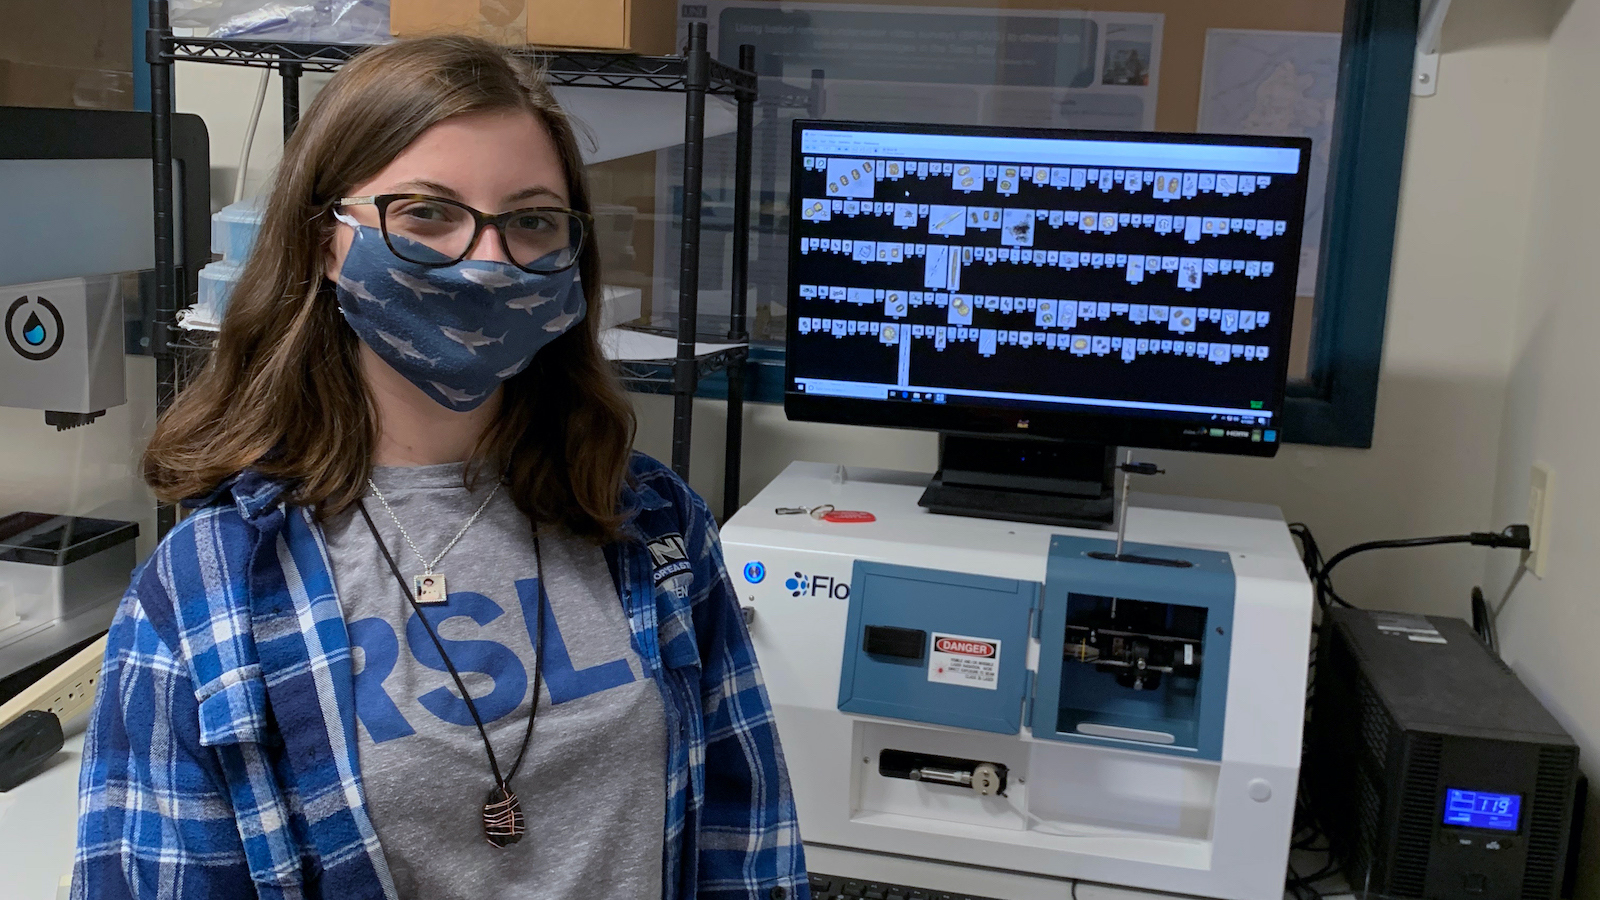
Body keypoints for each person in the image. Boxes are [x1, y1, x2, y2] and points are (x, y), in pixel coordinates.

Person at [73, 35, 808, 900]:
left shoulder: (650, 521)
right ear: (324, 240)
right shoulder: (207, 591)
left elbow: (745, 842)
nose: (488, 261)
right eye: (426, 214)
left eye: (532, 219)